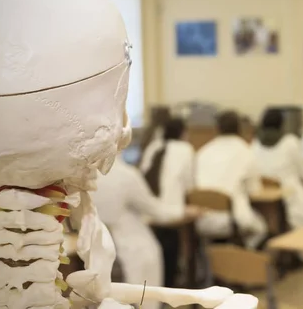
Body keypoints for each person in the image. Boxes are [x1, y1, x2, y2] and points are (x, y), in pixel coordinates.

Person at [91, 155, 190, 309]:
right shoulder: (126, 175)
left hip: (98, 251)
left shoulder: (83, 177)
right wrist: (184, 212)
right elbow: (157, 211)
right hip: (134, 250)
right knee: (144, 302)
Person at [195, 111, 268, 249]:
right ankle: (240, 264)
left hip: (201, 220)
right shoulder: (245, 152)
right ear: (240, 129)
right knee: (261, 228)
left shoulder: (202, 152)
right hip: (232, 220)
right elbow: (255, 190)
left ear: (217, 129)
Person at [142, 117, 196, 288]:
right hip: (171, 213)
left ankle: (162, 281)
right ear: (182, 132)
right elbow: (190, 186)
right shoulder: (186, 149)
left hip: (147, 212)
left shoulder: (153, 147)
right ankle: (172, 282)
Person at [252, 109, 303, 234]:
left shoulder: (255, 144)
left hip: (264, 201)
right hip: (289, 195)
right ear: (282, 124)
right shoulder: (291, 142)